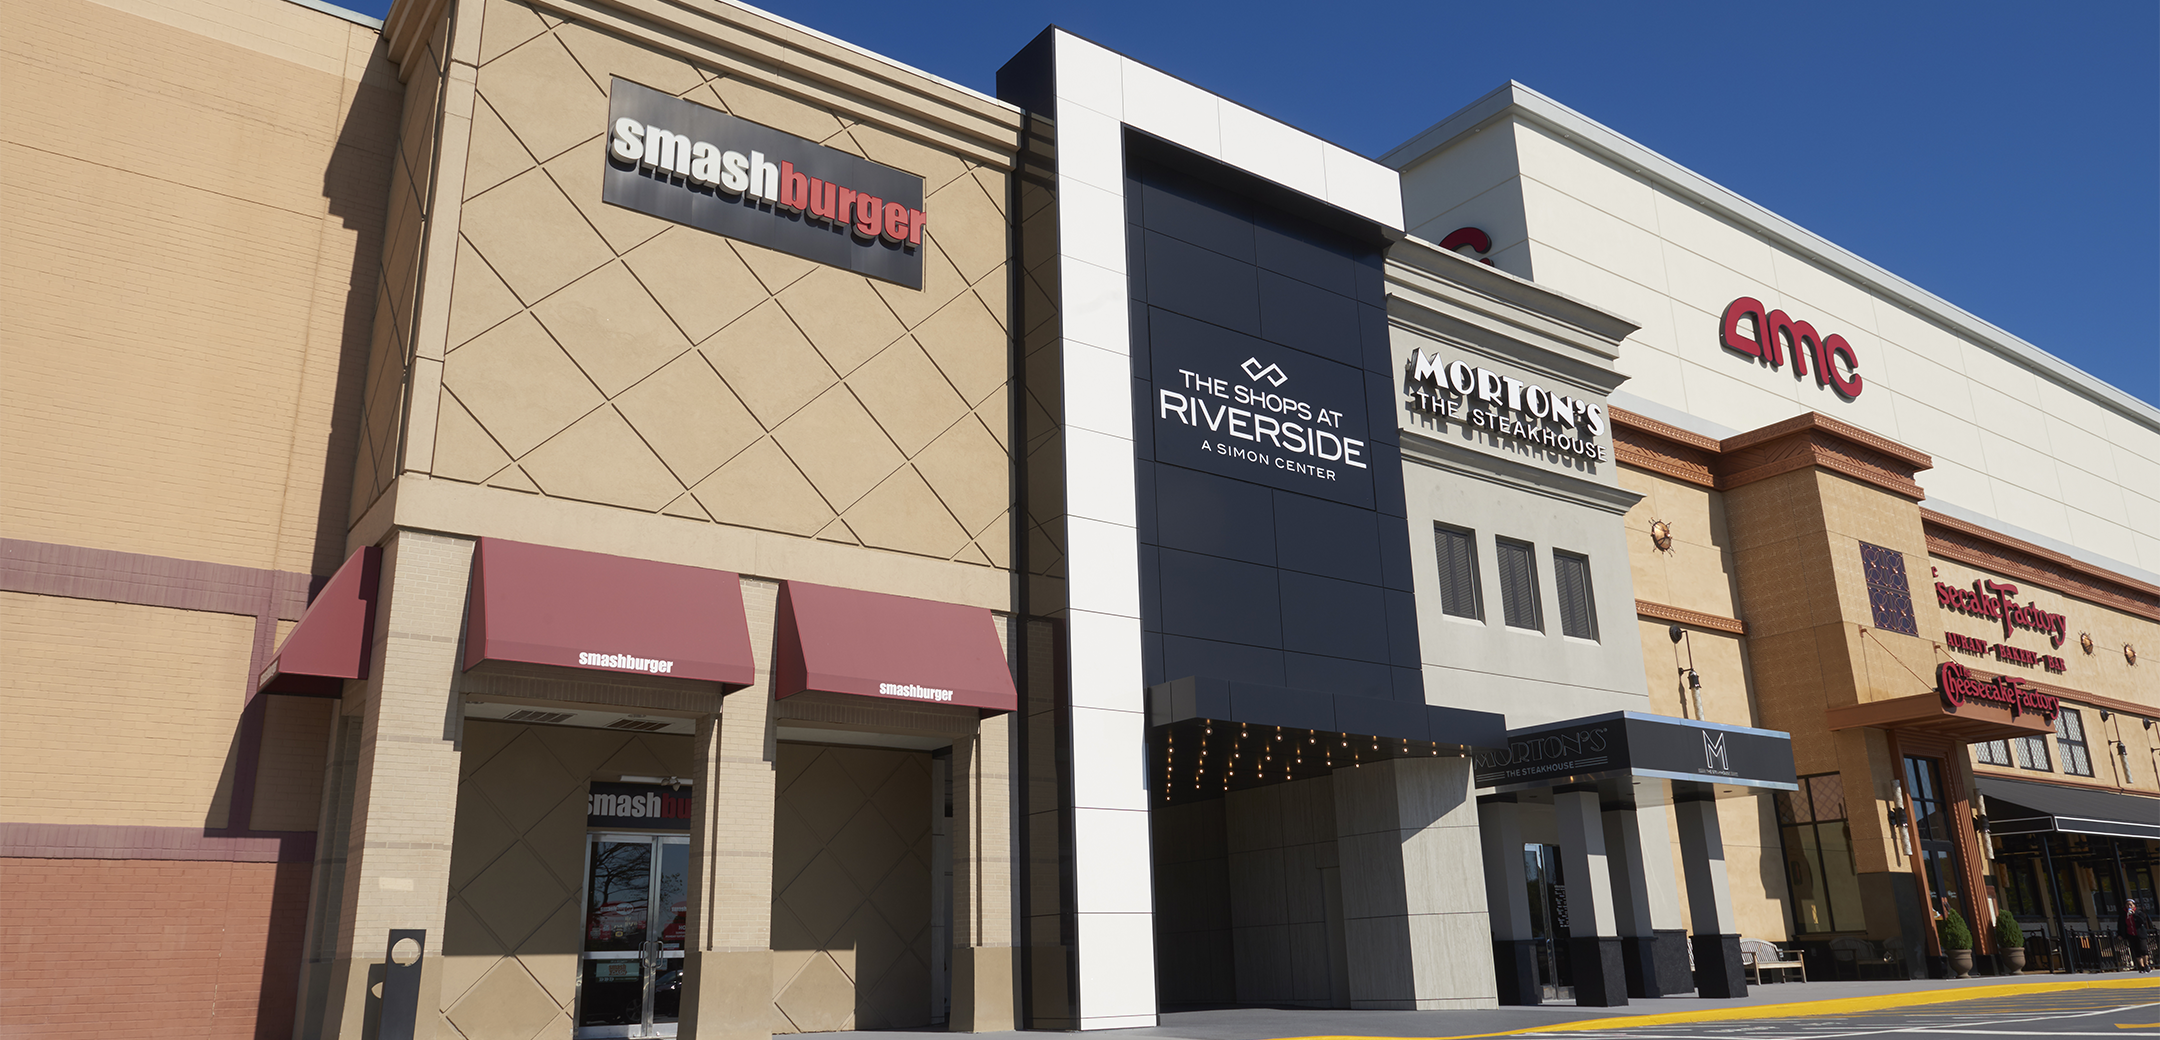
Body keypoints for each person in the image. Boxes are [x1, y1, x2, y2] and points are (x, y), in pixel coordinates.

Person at [2122, 896, 2153, 972]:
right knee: (2136, 951)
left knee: (2143, 949)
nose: (2129, 906)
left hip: (2140, 934)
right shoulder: (2124, 915)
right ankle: (2141, 967)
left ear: (2134, 905)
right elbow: (2121, 924)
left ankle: (2146, 964)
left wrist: (2134, 914)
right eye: (2127, 905)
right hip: (2131, 934)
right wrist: (2121, 934)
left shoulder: (2139, 913)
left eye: (2130, 905)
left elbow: (2142, 921)